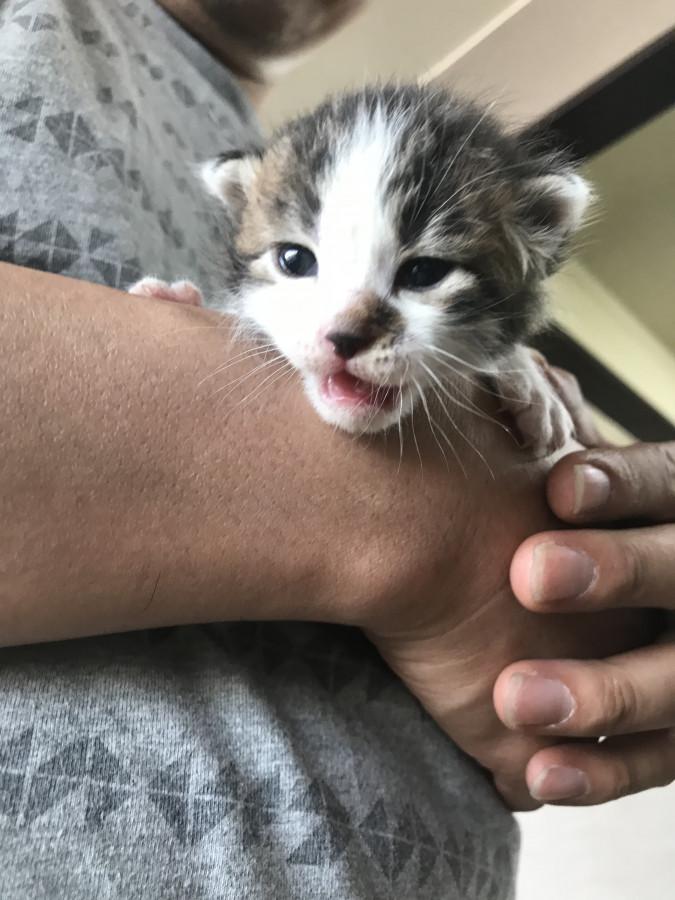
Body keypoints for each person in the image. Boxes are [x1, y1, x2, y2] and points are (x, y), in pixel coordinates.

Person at [0, 1, 673, 897]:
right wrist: (454, 528)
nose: (346, 328)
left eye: (422, 271)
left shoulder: (261, 152)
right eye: (297, 262)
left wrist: (596, 542)